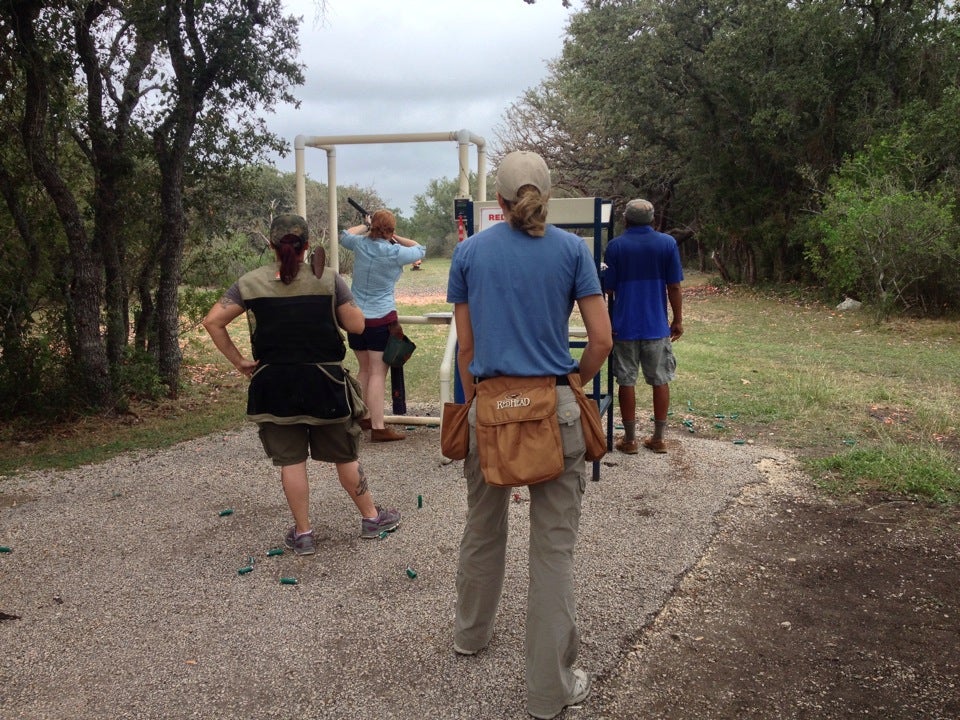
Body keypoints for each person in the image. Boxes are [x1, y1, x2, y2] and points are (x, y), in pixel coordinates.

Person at [446, 151, 613, 720]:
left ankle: (470, 635)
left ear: (497, 201)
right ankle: (549, 692)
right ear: (548, 193)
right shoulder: (573, 251)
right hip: (554, 410)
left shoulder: (468, 253)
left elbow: (466, 351)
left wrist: (475, 406)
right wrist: (573, 384)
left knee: (483, 525)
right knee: (553, 548)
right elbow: (601, 341)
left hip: (488, 410)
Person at [202, 214, 401, 555]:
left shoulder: (249, 282)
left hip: (273, 386)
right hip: (324, 383)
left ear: (271, 246)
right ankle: (371, 518)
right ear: (307, 246)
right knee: (345, 455)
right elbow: (356, 325)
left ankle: (304, 533)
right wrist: (333, 294)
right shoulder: (327, 280)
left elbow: (212, 321)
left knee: (291, 462)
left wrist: (240, 362)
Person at [602, 198, 684, 454]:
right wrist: (677, 319)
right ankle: (658, 438)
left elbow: (607, 288)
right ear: (652, 219)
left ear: (625, 219)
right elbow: (674, 286)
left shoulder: (615, 247)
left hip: (623, 326)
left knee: (626, 381)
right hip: (656, 326)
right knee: (660, 380)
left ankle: (629, 440)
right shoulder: (667, 244)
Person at [340, 209, 426, 442]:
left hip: (356, 318)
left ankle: (363, 416)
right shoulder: (395, 251)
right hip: (380, 319)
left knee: (364, 369)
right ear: (390, 230)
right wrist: (394, 237)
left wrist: (366, 226)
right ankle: (378, 427)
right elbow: (420, 248)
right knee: (378, 372)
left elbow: (344, 235)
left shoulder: (360, 244)